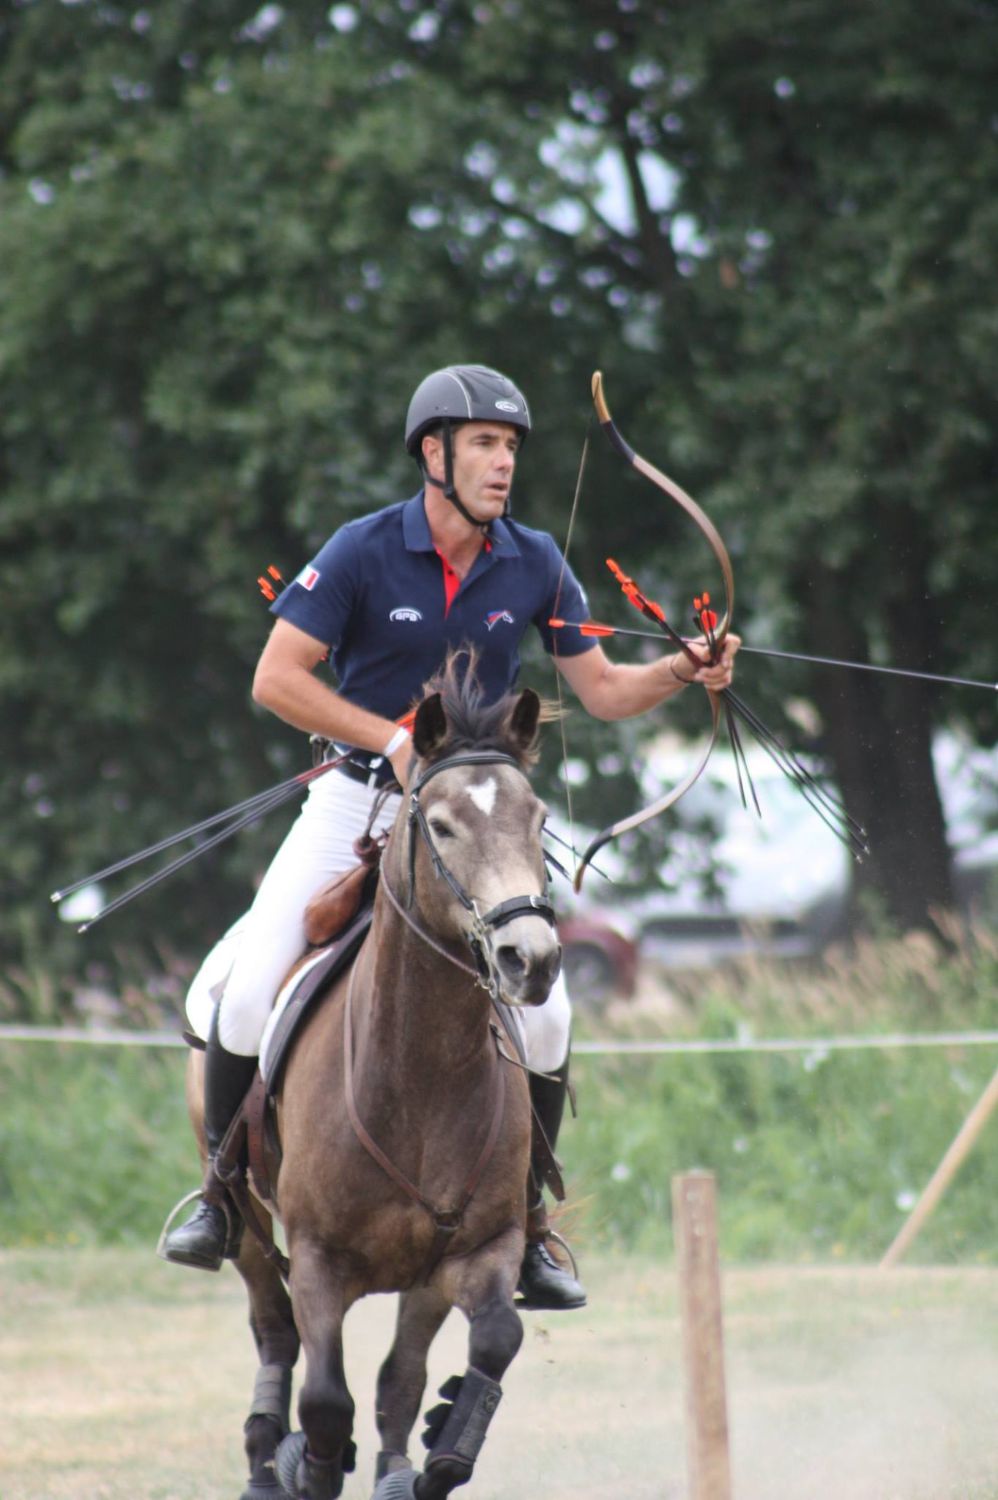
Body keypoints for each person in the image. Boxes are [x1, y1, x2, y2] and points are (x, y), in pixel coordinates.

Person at [162, 363, 739, 1307]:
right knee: (240, 993)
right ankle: (225, 1200)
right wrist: (388, 738)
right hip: (359, 803)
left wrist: (682, 671)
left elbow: (598, 692)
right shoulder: (360, 550)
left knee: (547, 1012)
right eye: (483, 443)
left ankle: (533, 1225)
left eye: (510, 446)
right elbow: (276, 678)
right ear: (433, 454)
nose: (503, 463)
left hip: (478, 823)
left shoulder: (536, 558)